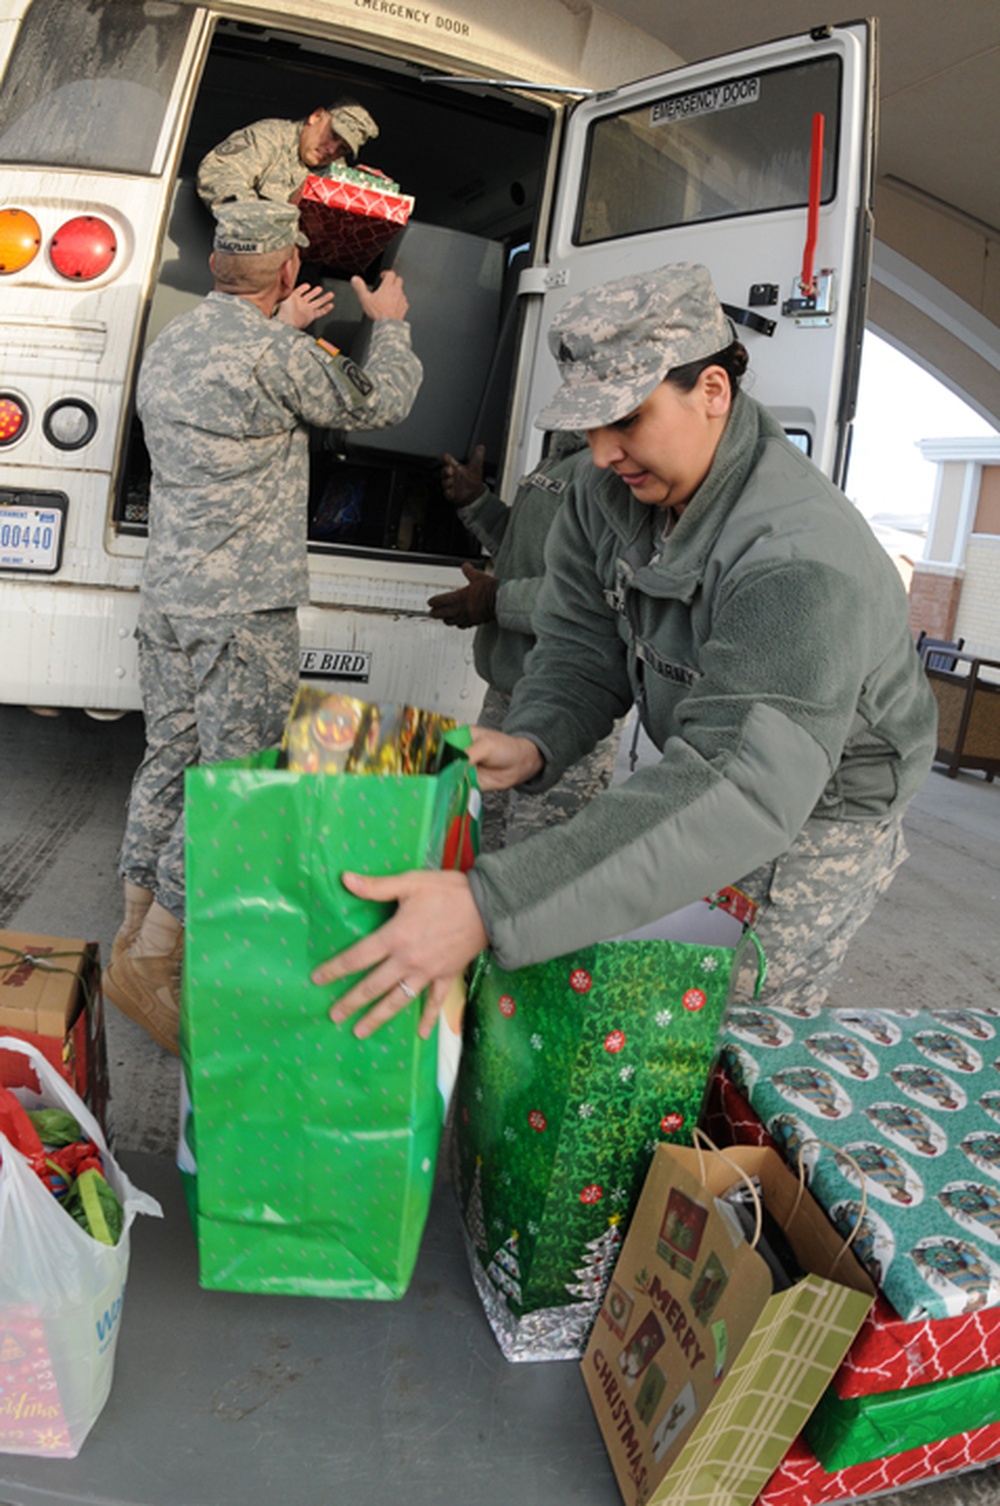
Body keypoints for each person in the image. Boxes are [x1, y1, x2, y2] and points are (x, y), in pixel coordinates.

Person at [309, 260, 938, 1042]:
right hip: (718, 762)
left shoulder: (801, 560)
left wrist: (489, 903)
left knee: (728, 1028)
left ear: (712, 391)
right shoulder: (606, 496)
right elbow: (580, 641)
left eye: (626, 419)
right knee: (640, 995)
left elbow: (740, 788)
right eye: (590, 427)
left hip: (821, 808)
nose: (604, 452)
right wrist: (536, 736)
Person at [104, 199, 422, 1056]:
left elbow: (241, 380)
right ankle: (156, 961)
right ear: (287, 273)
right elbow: (381, 402)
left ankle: (131, 935)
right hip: (241, 609)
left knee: (169, 755)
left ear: (216, 269)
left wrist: (280, 329)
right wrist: (385, 325)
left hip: (168, 596)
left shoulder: (174, 341)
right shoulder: (280, 356)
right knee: (234, 779)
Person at [427, 433, 625, 852]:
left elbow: (598, 598)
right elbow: (528, 555)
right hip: (507, 693)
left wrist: (496, 600)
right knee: (481, 845)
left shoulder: (613, 468)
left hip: (566, 701)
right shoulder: (561, 456)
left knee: (536, 861)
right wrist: (476, 503)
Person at [196, 100, 379, 212]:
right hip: (244, 256)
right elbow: (218, 172)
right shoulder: (271, 136)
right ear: (316, 117)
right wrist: (257, 221)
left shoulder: (338, 174)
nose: (332, 150)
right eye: (333, 135)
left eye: (343, 149)